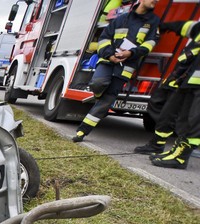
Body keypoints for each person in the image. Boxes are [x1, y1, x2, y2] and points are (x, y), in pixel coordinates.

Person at [72, 0, 160, 142]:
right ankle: (98, 95)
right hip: (108, 60)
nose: (155, 1)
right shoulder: (122, 18)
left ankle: (82, 131)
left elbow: (150, 43)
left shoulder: (153, 21)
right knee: (97, 83)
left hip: (127, 66)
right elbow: (104, 38)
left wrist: (131, 53)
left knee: (107, 100)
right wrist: (110, 55)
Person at [135, 19, 200, 169]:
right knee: (178, 114)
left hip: (192, 80)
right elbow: (186, 27)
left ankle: (181, 157)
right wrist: (163, 25)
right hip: (188, 78)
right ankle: (162, 146)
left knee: (193, 120)